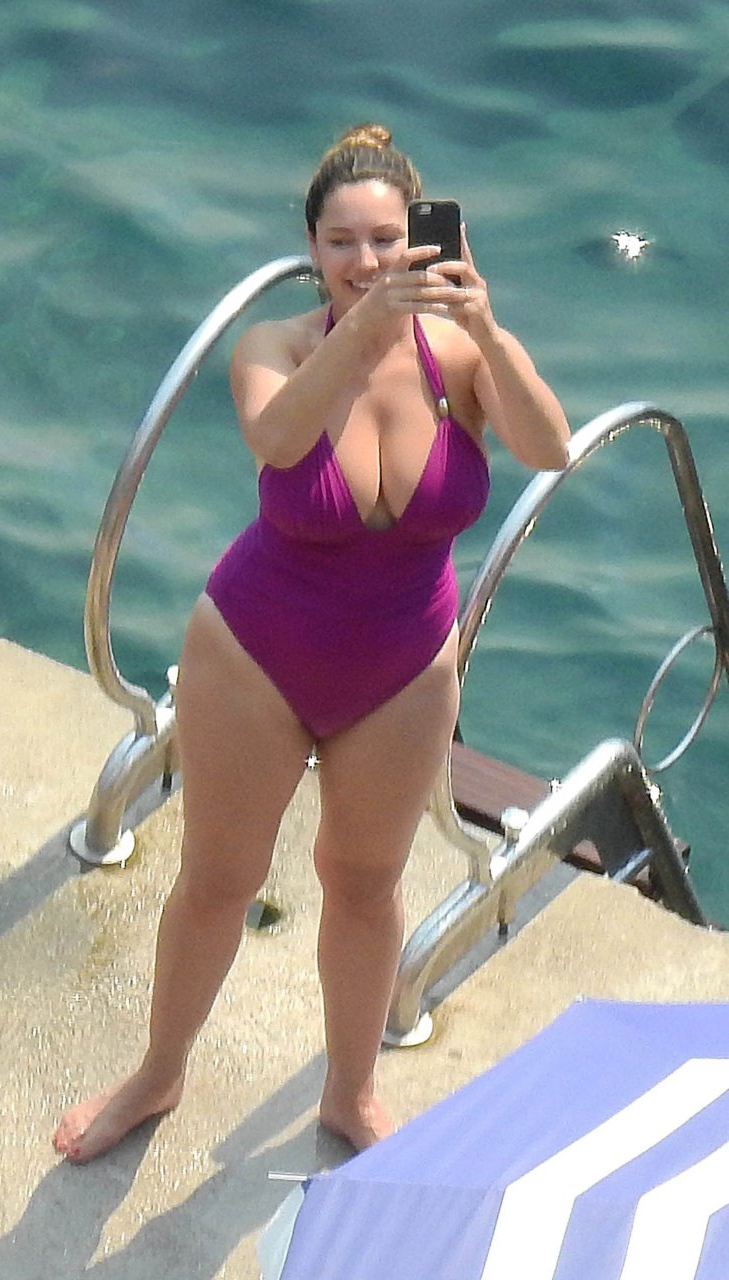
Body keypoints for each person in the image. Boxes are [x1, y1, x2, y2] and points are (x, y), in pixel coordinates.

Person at [54, 123, 570, 1163]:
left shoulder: (460, 358)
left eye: (385, 240)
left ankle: (350, 1092)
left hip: (403, 667)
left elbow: (548, 447)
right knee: (219, 879)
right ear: (311, 248)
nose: (365, 261)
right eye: (342, 242)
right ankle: (157, 1074)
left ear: (422, 240)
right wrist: (363, 329)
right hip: (256, 652)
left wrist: (486, 323)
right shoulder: (276, 348)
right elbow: (277, 436)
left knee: (367, 884)